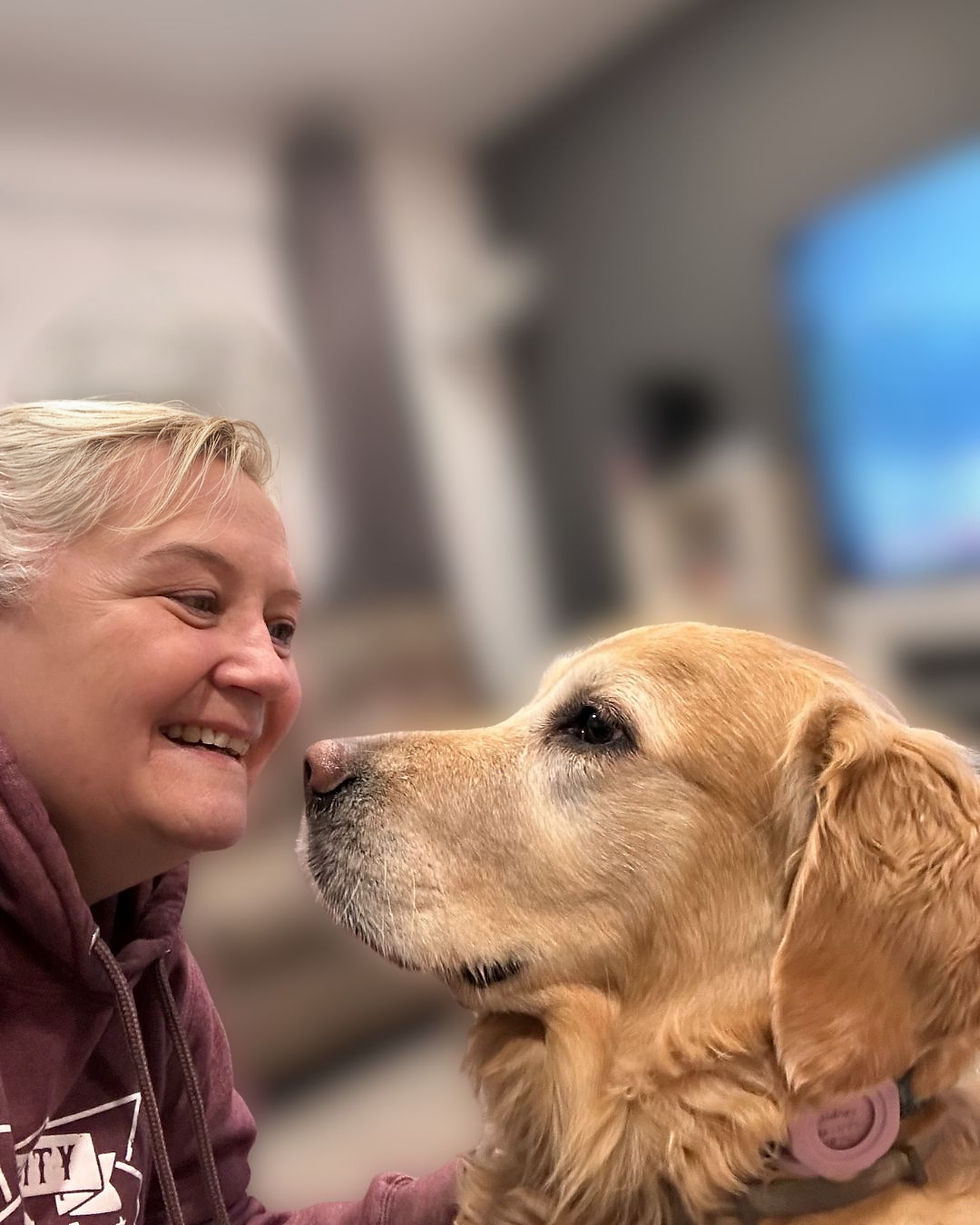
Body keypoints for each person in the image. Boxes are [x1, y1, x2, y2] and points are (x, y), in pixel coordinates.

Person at [0, 400, 457, 1225]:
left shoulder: (140, 945)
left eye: (281, 629)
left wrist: (516, 1191)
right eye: (197, 599)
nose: (271, 673)